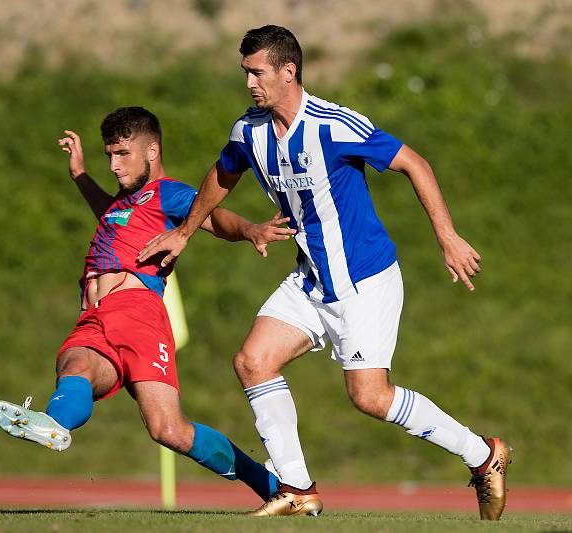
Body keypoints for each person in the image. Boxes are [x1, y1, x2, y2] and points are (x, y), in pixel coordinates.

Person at [138, 25, 510, 520]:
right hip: (310, 281)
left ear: (288, 71)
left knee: (370, 397)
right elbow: (221, 175)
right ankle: (296, 489)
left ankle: (483, 455)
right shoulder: (248, 131)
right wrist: (185, 232)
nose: (249, 82)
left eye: (257, 72)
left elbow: (414, 164)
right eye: (245, 72)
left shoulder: (334, 125)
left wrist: (447, 236)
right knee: (253, 361)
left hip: (365, 282)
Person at [0, 106, 297, 505]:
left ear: (151, 151)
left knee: (168, 430)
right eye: (109, 156)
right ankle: (52, 423)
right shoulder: (124, 201)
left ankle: (272, 485)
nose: (114, 166)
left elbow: (213, 217)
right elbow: (111, 217)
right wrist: (80, 176)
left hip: (139, 314)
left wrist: (251, 229)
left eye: (122, 155)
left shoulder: (167, 193)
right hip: (96, 316)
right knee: (75, 366)